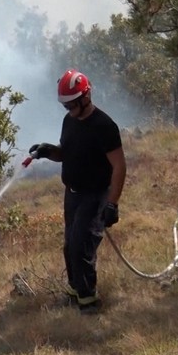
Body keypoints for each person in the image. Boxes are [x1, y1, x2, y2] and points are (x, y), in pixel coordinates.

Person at [29, 69, 126, 315]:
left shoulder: (104, 126)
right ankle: (75, 293)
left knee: (82, 247)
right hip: (72, 194)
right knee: (69, 246)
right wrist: (48, 151)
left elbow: (119, 166)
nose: (69, 109)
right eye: (65, 105)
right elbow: (66, 152)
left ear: (86, 97)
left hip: (95, 196)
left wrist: (112, 203)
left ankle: (89, 302)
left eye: (72, 104)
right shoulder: (70, 121)